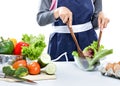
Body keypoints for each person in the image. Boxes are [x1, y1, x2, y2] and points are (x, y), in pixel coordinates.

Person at [36, 0, 109, 61]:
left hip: (88, 42)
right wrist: (57, 12)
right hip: (60, 44)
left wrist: (101, 19)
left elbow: (94, 24)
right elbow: (40, 19)